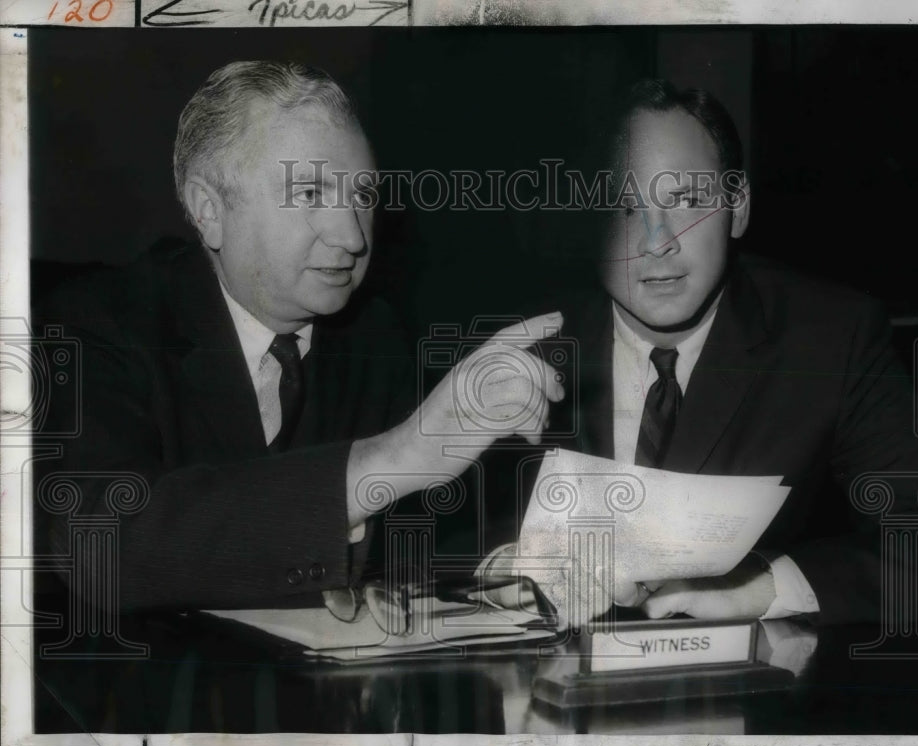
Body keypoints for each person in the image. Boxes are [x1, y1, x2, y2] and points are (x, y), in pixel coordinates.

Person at [33, 60, 564, 611]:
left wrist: (505, 570)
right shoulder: (89, 324)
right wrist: (390, 458)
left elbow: (419, 539)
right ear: (209, 210)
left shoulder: (372, 335)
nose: (353, 236)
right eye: (310, 193)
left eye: (363, 196)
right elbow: (102, 547)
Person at [482, 79, 918, 626]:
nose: (655, 240)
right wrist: (504, 569)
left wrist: (759, 588)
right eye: (619, 205)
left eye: (686, 200)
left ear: (736, 207)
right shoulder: (523, 339)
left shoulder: (832, 338)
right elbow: (415, 530)